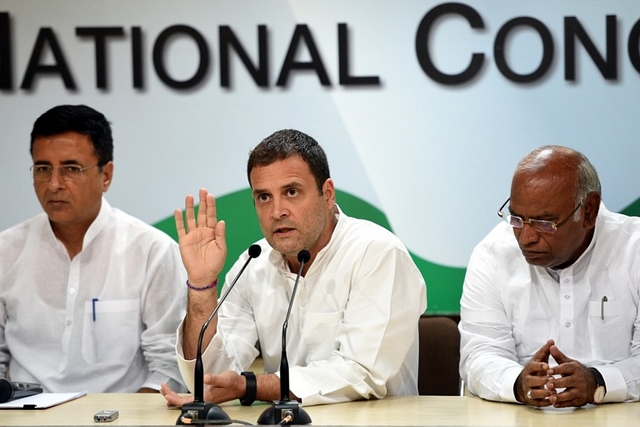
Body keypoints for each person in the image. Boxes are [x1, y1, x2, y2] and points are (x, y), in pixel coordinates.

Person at [161, 129, 427, 407]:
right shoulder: (253, 263)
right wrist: (202, 285)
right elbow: (211, 379)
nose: (278, 211)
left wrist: (249, 386)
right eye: (264, 197)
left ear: (327, 194)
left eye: (291, 192)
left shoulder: (377, 253)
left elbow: (362, 373)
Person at [0, 104, 187, 393]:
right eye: (43, 168)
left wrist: (133, 418)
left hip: (120, 419)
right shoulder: (6, 250)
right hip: (23, 416)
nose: (54, 184)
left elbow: (169, 364)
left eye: (71, 169)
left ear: (106, 175)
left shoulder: (151, 250)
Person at [459, 145, 640, 408]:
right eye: (517, 219)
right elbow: (479, 355)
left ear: (588, 211)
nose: (526, 237)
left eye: (545, 223)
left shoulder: (634, 250)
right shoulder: (493, 254)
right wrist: (518, 383)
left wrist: (599, 382)